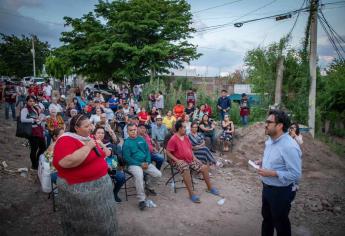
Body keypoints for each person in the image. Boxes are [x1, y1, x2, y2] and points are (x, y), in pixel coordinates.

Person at [53, 114, 118, 235]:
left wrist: (98, 145)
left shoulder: (89, 137)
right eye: (86, 126)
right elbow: (66, 162)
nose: (90, 128)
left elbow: (104, 154)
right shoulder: (65, 140)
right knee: (87, 223)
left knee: (103, 220)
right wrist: (88, 147)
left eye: (90, 124)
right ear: (76, 128)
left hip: (101, 189)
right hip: (81, 192)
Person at [255, 110, 302, 236]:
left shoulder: (289, 146)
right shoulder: (270, 140)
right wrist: (263, 162)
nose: (266, 124)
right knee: (267, 220)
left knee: (281, 224)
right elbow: (276, 159)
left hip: (281, 191)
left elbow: (295, 174)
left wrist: (272, 173)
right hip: (266, 188)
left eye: (269, 122)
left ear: (280, 126)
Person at [166, 120, 219, 203]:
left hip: (190, 159)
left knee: (204, 167)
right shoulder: (173, 139)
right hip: (179, 161)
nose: (186, 129)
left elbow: (190, 149)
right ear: (179, 128)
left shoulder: (186, 137)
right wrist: (176, 160)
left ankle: (210, 188)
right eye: (184, 127)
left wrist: (195, 158)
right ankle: (191, 194)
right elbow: (168, 152)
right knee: (186, 169)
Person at [122, 123, 162, 210]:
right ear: (127, 132)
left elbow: (147, 151)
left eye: (134, 129)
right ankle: (141, 200)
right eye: (131, 130)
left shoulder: (141, 139)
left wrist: (147, 162)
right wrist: (140, 164)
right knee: (139, 176)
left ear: (137, 130)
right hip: (133, 165)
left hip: (145, 162)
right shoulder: (126, 143)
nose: (133, 131)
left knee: (158, 174)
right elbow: (127, 158)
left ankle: (149, 187)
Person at [93, 126, 125, 203]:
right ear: (94, 134)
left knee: (121, 177)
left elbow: (110, 155)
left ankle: (114, 193)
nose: (101, 134)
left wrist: (102, 144)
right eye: (98, 133)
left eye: (102, 133)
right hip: (97, 169)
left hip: (110, 166)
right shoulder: (91, 144)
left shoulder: (108, 144)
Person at [21, 96, 46, 170]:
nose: (32, 102)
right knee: (34, 149)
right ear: (27, 102)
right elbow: (22, 119)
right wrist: (32, 120)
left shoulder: (35, 108)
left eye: (33, 101)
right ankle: (34, 165)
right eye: (30, 101)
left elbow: (38, 118)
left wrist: (41, 119)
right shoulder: (25, 109)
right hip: (32, 131)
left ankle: (37, 161)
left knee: (43, 147)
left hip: (39, 130)